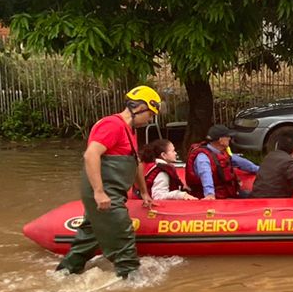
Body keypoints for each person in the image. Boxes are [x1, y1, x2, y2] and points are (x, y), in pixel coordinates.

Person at [55, 85, 160, 279]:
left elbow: (135, 162)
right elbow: (91, 154)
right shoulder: (112, 125)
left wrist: (144, 192)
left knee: (89, 238)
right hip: (105, 193)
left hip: (113, 192)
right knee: (122, 235)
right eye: (151, 114)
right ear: (140, 108)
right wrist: (99, 192)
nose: (150, 120)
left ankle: (64, 273)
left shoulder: (130, 131)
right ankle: (134, 282)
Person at [185, 124, 260, 199]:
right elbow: (205, 175)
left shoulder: (221, 152)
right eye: (227, 137)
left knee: (255, 196)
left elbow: (240, 162)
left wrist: (259, 170)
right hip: (217, 197)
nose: (230, 138)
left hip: (227, 193)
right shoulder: (203, 158)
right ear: (221, 140)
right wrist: (210, 194)